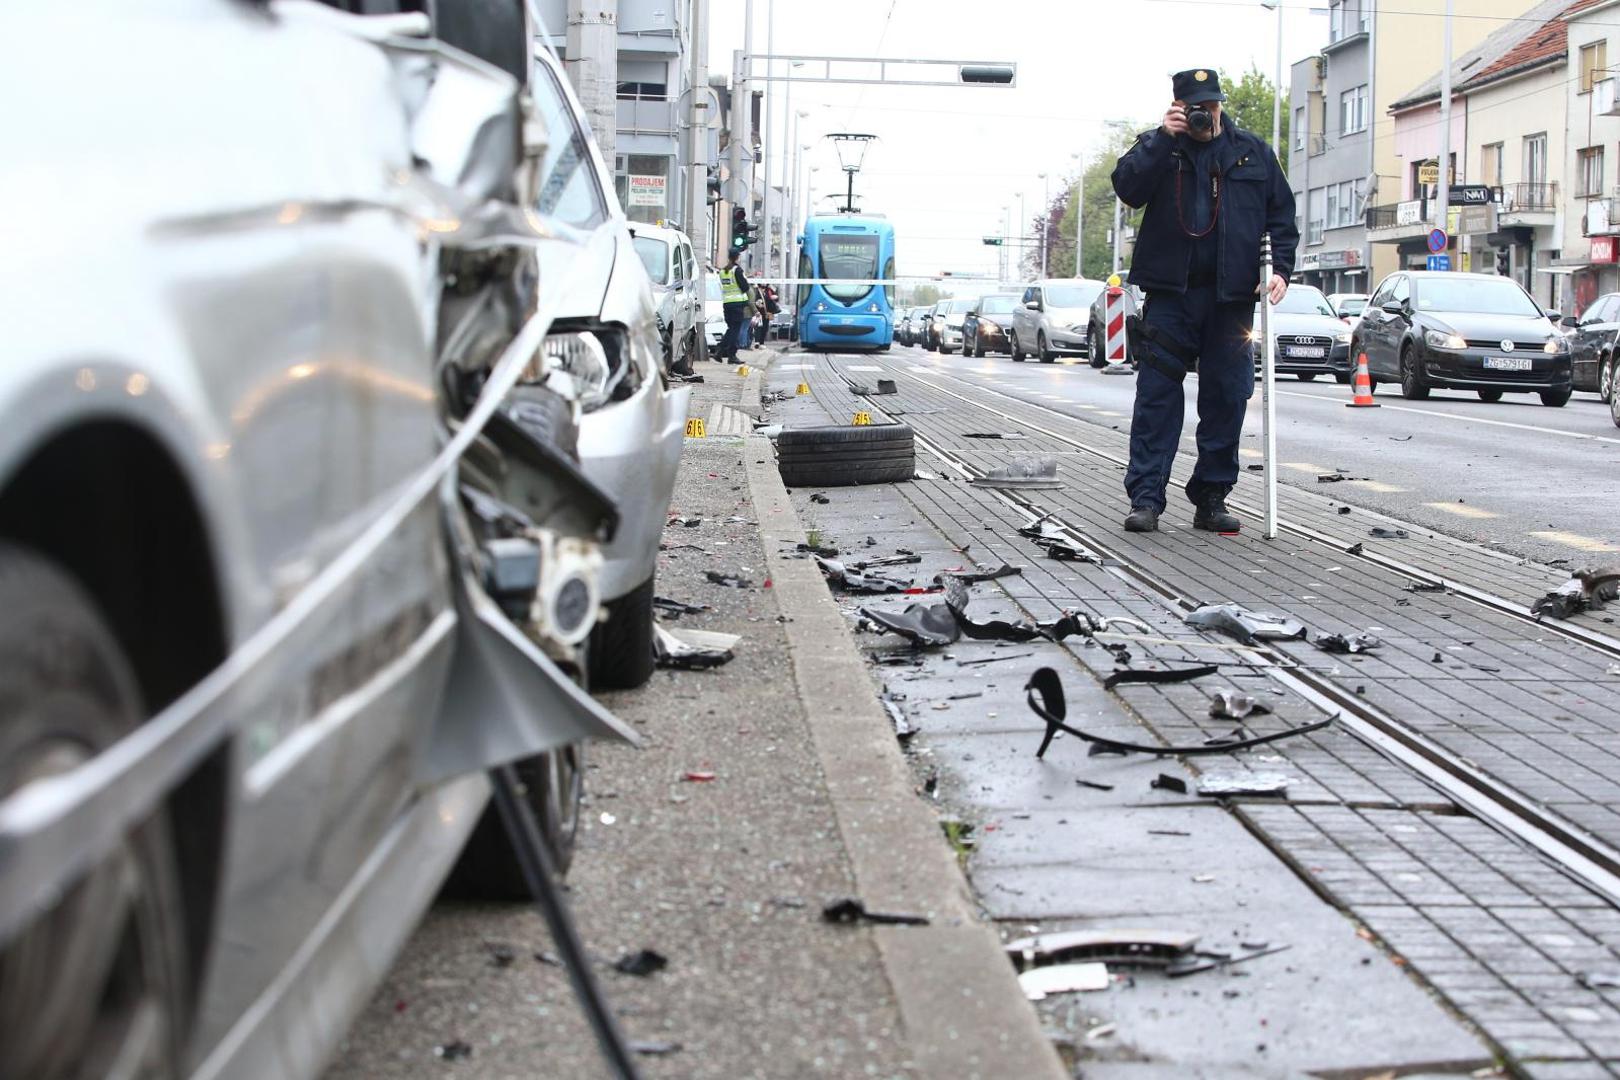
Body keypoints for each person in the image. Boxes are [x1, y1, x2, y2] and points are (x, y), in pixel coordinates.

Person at [1110, 68, 1297, 534]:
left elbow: (1282, 219)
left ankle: (1211, 496)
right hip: (1173, 295)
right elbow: (1127, 188)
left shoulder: (1252, 153)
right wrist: (1160, 138)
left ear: (1220, 104)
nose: (1204, 114)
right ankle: (1147, 499)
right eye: (1195, 106)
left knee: (1228, 397)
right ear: (1179, 106)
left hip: (1232, 298)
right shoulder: (1161, 149)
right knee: (1156, 397)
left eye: (1210, 105)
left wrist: (1280, 271)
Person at [716, 251, 751, 364]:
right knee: (735, 330)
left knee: (731, 329)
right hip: (737, 304)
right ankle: (731, 355)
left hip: (727, 304)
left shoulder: (723, 271)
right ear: (737, 257)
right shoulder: (737, 270)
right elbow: (745, 287)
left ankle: (720, 351)